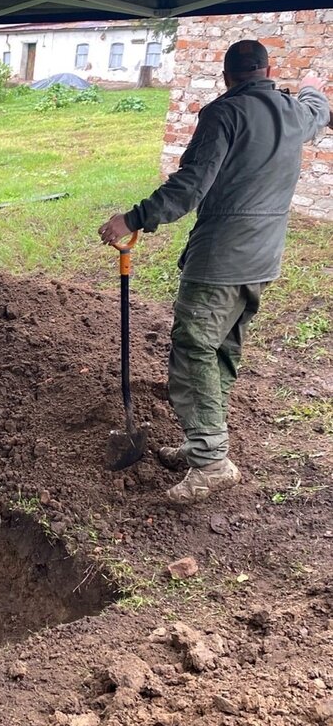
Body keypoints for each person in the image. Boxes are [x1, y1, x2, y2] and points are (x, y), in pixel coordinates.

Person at [98, 40, 330, 506]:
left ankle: (210, 460)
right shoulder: (293, 111)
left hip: (221, 260)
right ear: (268, 70)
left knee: (193, 349)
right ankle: (204, 441)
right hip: (264, 260)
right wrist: (311, 86)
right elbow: (317, 109)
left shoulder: (224, 115)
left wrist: (134, 218)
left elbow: (189, 186)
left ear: (227, 76)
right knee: (221, 350)